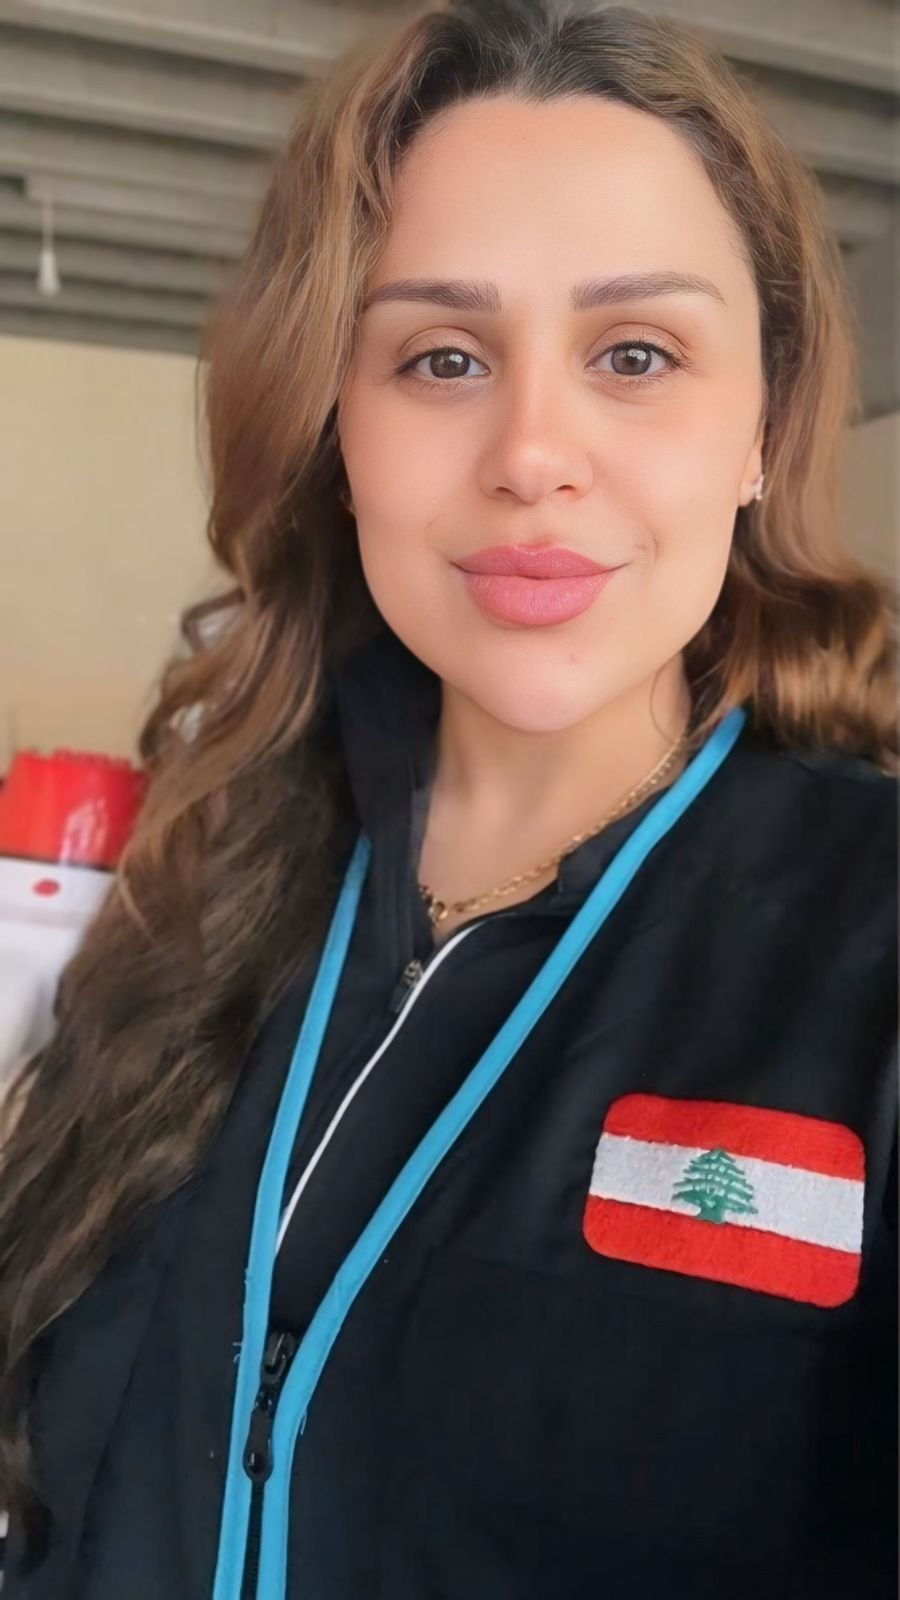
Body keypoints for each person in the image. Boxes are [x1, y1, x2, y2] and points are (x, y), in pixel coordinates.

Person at [1, 1, 897, 1595]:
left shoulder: (870, 945)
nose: (532, 452)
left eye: (636, 354)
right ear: (336, 432)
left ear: (761, 428)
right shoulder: (203, 883)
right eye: (442, 358)